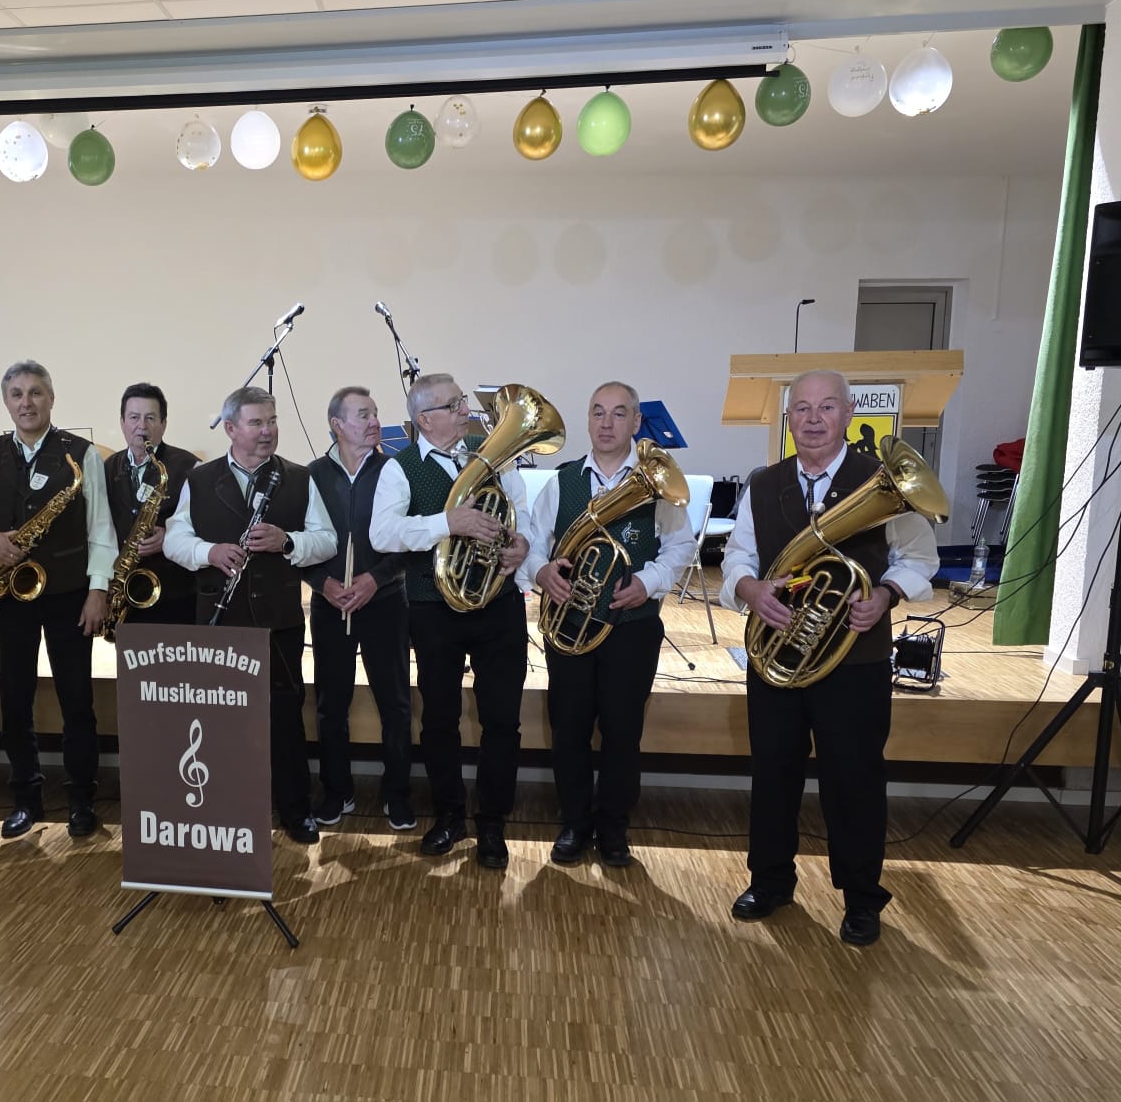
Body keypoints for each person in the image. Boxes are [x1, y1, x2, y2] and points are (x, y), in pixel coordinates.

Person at [721, 369, 939, 947]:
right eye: (802, 408)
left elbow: (920, 558)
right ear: (789, 418)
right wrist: (750, 589)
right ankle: (770, 881)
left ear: (848, 414)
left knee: (855, 779)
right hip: (778, 655)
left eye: (826, 407)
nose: (813, 419)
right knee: (773, 773)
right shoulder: (764, 483)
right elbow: (738, 555)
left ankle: (862, 898)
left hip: (855, 660)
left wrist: (886, 595)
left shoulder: (883, 481)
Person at [520, 381, 695, 869]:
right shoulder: (562, 482)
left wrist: (648, 581)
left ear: (636, 422)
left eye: (619, 414)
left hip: (631, 626)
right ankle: (574, 823)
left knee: (622, 731)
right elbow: (535, 542)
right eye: (598, 412)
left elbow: (681, 547)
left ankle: (614, 828)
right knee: (569, 729)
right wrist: (541, 572)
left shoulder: (657, 482)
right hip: (570, 626)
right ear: (588, 419)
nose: (607, 423)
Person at [369, 373, 530, 870]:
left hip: (499, 604)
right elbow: (382, 534)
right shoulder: (399, 468)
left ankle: (493, 823)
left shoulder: (493, 454)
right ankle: (449, 815)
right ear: (424, 419)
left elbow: (521, 513)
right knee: (439, 719)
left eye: (462, 401)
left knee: (502, 720)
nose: (466, 411)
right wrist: (447, 524)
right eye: (454, 404)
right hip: (434, 607)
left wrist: (521, 545)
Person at [163, 385, 336, 843]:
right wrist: (210, 552)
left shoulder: (299, 477)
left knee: (285, 717)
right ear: (231, 428)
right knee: (220, 721)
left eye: (272, 421)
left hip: (278, 621)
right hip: (220, 621)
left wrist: (288, 541)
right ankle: (226, 810)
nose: (267, 431)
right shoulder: (200, 479)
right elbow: (175, 540)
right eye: (257, 422)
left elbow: (327, 540)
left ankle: (295, 809)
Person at [0, 361, 116, 840]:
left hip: (70, 594)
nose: (26, 402)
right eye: (16, 394)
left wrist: (98, 590)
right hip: (12, 594)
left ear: (51, 398)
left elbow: (101, 529)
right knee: (14, 701)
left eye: (35, 392)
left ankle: (81, 799)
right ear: (6, 401)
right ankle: (25, 798)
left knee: (77, 701)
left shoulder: (81, 454)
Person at [303, 386, 413, 833]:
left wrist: (375, 579)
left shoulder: (394, 470)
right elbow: (300, 542)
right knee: (331, 704)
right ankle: (336, 791)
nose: (374, 422)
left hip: (384, 602)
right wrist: (322, 584)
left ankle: (398, 794)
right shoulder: (311, 475)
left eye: (375, 413)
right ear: (337, 425)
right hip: (330, 603)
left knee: (395, 704)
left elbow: (408, 540)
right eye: (364, 414)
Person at [103, 383, 197, 627]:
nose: (142, 426)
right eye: (134, 417)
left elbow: (205, 527)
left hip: (176, 595)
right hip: (125, 594)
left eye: (150, 418)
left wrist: (169, 536)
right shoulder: (107, 467)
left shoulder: (191, 467)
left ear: (163, 424)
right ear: (122, 422)